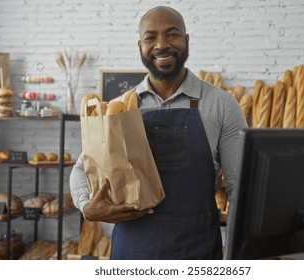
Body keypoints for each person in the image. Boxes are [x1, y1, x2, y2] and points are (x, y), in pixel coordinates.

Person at [70, 5, 248, 260]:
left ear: (186, 41)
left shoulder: (221, 105)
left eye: (172, 34)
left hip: (197, 254)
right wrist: (88, 208)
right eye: (151, 37)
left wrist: (233, 257)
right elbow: (81, 168)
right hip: (131, 255)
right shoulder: (119, 107)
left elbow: (240, 189)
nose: (161, 45)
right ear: (140, 46)